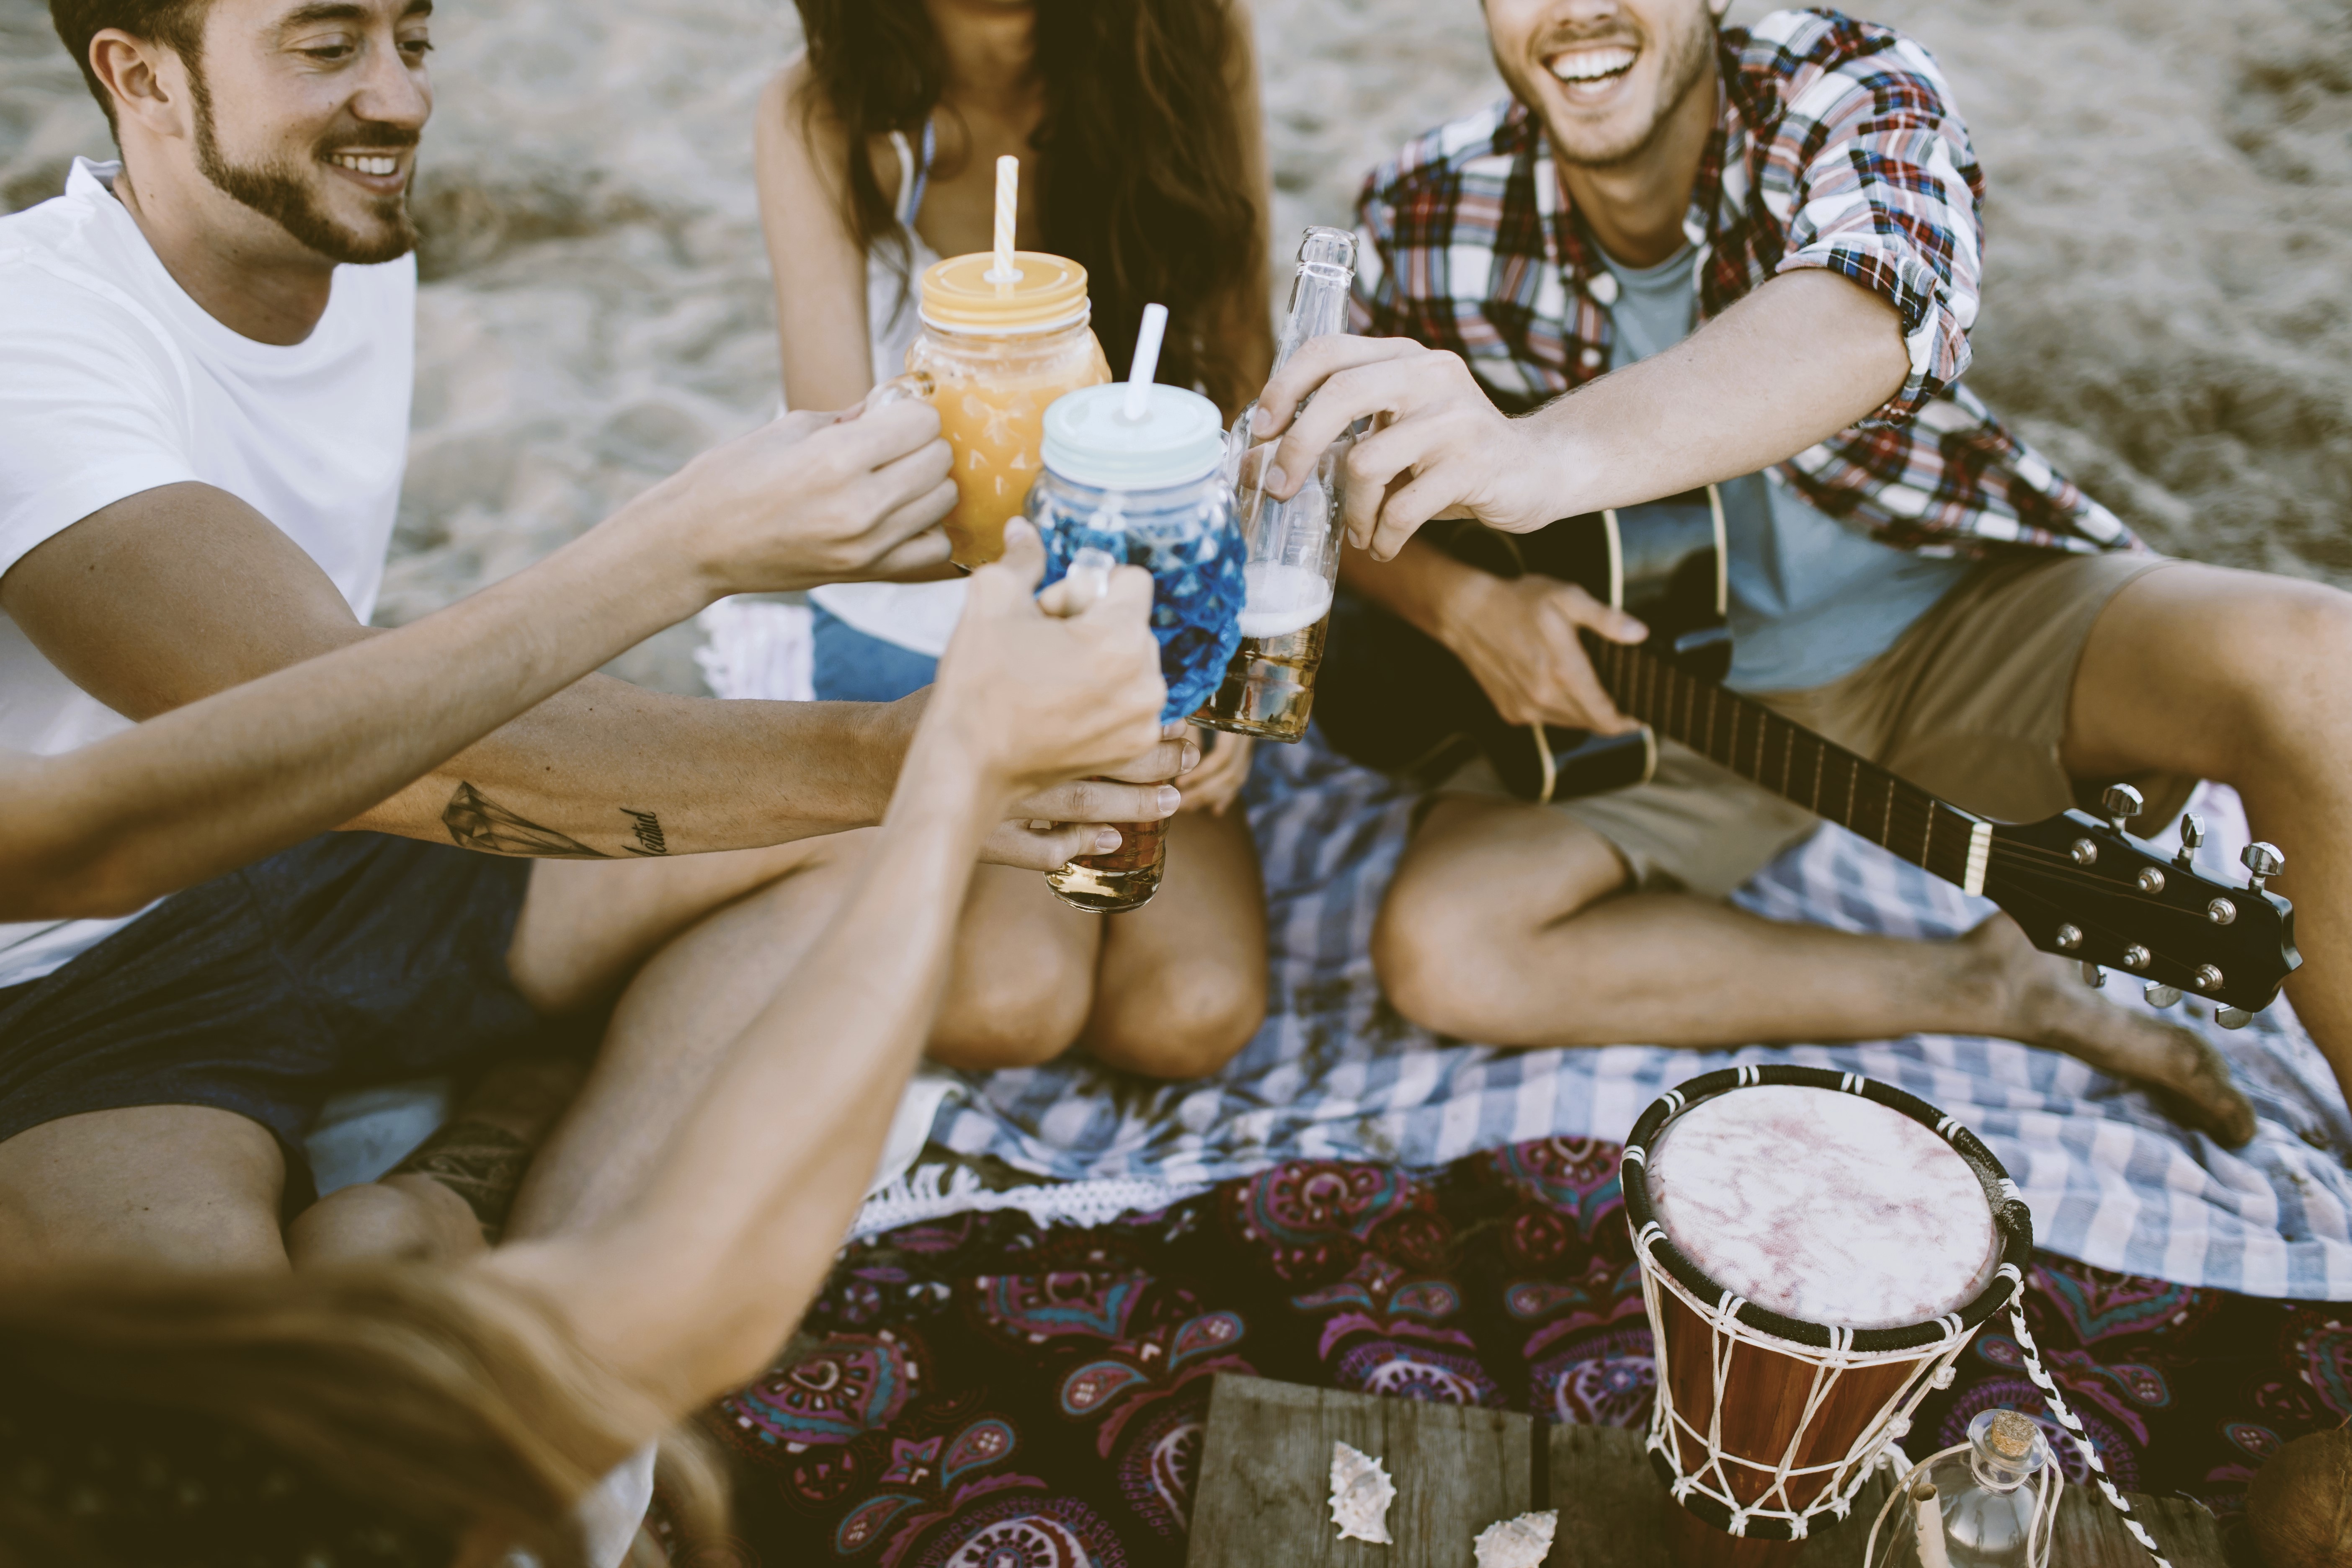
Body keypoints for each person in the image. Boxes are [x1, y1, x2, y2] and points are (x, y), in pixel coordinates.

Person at [0, 0, 1194, 1276]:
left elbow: (367, 749)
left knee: (844, 846)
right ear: (143, 78)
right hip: (71, 988)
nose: (401, 103)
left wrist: (911, 764)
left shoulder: (337, 233)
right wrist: (693, 559)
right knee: (228, 1401)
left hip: (334, 856)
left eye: (414, 40)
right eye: (327, 46)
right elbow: (300, 731)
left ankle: (491, 1227)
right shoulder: (36, 341)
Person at [1245, 0, 2352, 1145]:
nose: (1577, 12)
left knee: (2319, 666)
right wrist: (1469, 606)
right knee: (1448, 949)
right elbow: (1313, 482)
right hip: (1681, 707)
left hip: (1957, 625)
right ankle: (1983, 989)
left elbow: (1875, 306)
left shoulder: (1847, 85)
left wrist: (1540, 456)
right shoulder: (1425, 209)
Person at [0, 528, 1171, 1568]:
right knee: (420, 1290)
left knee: (394, 1284)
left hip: (180, 878)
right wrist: (941, 780)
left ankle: (481, 1181)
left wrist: (921, 762)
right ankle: (505, 1145)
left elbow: (76, 831)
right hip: (92, 979)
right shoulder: (325, 1486)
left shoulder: (210, 1488)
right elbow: (691, 1295)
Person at [749, 0, 1274, 1078]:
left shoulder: (1187, 35)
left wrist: (1221, 649)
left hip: (1145, 602)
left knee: (1192, 1010)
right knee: (1013, 1002)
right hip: (927, 621)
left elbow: (1246, 364)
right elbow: (846, 494)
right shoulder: (825, 114)